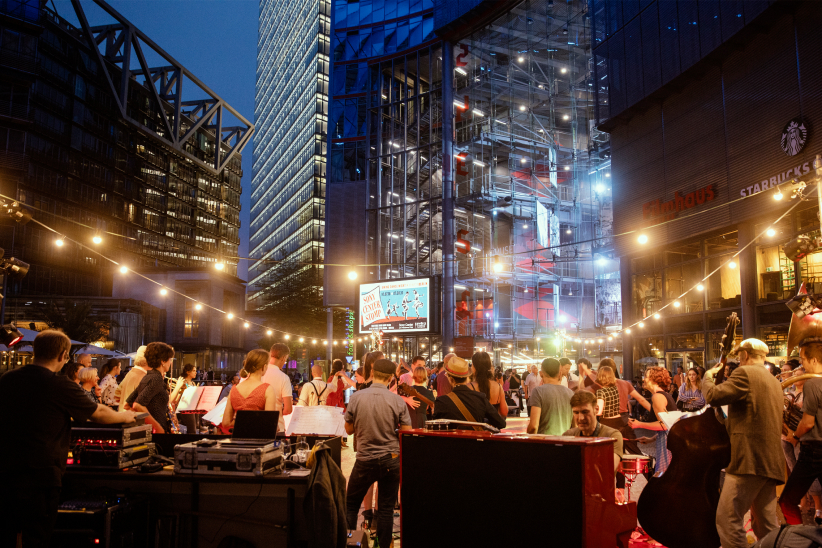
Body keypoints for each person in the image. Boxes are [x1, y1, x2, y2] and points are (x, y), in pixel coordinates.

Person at [0, 330, 136, 547]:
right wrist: (126, 416)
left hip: (5, 473)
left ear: (35, 351)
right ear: (64, 355)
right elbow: (98, 414)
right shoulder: (59, 384)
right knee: (36, 538)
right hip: (40, 476)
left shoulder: (7, 379)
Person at [703, 339, 783, 548]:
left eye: (739, 356)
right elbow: (750, 418)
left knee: (727, 519)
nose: (738, 360)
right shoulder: (773, 380)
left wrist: (707, 377)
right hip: (769, 460)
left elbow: (712, 395)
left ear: (745, 355)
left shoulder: (744, 373)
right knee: (766, 525)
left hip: (748, 460)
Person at [344, 359, 412, 548]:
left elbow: (348, 429)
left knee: (351, 505)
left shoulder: (357, 397)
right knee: (385, 509)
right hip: (390, 459)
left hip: (364, 459)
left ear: (372, 373)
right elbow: (406, 431)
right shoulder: (397, 400)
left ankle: (352, 544)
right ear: (391, 377)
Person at [780, 341, 822, 525]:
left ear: (813, 359)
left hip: (813, 449)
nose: (802, 364)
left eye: (803, 359)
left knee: (787, 502)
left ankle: (799, 541)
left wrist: (794, 436)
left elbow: (808, 422)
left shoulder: (813, 384)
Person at [433, 356, 506, 429]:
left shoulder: (441, 401)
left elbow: (435, 428)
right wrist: (482, 423)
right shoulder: (480, 398)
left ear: (451, 379)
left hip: (451, 440)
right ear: (467, 378)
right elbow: (501, 423)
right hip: (474, 439)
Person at [628, 366, 677, 476]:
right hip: (668, 440)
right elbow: (670, 424)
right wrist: (651, 439)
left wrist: (639, 424)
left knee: (663, 477)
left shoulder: (657, 397)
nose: (643, 379)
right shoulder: (664, 395)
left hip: (667, 443)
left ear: (654, 380)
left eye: (646, 376)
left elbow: (664, 425)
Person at [563, 390, 623, 472]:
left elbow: (608, 470)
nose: (580, 418)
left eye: (585, 412)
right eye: (576, 412)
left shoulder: (613, 436)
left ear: (596, 409)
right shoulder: (568, 435)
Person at [125, 342, 175, 433]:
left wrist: (144, 423)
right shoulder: (156, 379)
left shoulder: (148, 376)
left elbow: (128, 405)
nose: (170, 362)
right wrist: (157, 427)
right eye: (169, 359)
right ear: (163, 361)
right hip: (157, 433)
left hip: (149, 431)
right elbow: (138, 405)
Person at [222, 349, 275, 428]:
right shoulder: (267, 389)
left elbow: (226, 423)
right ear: (264, 367)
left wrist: (242, 421)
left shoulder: (234, 389)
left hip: (238, 438)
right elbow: (269, 423)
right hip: (258, 438)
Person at [526, 357, 573, 435]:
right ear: (560, 374)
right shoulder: (570, 393)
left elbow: (533, 426)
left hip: (545, 443)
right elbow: (575, 426)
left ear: (541, 374)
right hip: (565, 442)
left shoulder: (538, 391)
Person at [256, 343, 293, 433]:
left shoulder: (255, 373)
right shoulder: (283, 377)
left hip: (255, 425)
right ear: (284, 357)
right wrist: (279, 412)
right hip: (276, 426)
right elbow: (288, 409)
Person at [468, 351, 508, 417]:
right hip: (493, 426)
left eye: (472, 365)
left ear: (475, 367)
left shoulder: (470, 387)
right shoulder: (498, 386)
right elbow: (504, 412)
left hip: (477, 425)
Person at [115, 345, 147, 412]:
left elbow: (117, 394)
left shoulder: (130, 373)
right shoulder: (142, 376)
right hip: (133, 418)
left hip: (122, 415)